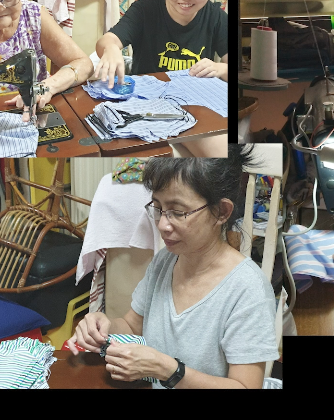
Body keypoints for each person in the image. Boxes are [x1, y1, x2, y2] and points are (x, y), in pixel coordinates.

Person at [67, 146, 279, 388]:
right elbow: (132, 325)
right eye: (157, 208)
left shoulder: (247, 288)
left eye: (177, 212)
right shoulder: (164, 262)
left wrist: (169, 370)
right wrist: (103, 324)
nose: (163, 225)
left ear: (221, 212)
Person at [95, 0, 229, 156]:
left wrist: (220, 69)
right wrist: (111, 49)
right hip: (149, 105)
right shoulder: (144, 11)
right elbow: (107, 41)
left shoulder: (215, 17)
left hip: (195, 105)